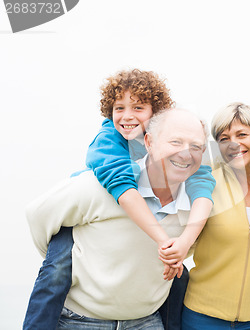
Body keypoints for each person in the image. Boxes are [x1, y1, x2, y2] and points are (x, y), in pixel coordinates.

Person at [23, 69, 215, 330]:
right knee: (56, 267)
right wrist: (162, 241)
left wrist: (179, 246)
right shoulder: (109, 143)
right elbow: (120, 188)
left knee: (178, 277)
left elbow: (203, 182)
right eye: (119, 108)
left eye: (138, 107)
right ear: (150, 142)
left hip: (143, 317)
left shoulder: (181, 151)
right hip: (108, 190)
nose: (127, 116)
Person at [181, 103, 250, 329]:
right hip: (201, 316)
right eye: (224, 138)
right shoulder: (206, 181)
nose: (234, 144)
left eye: (242, 134)